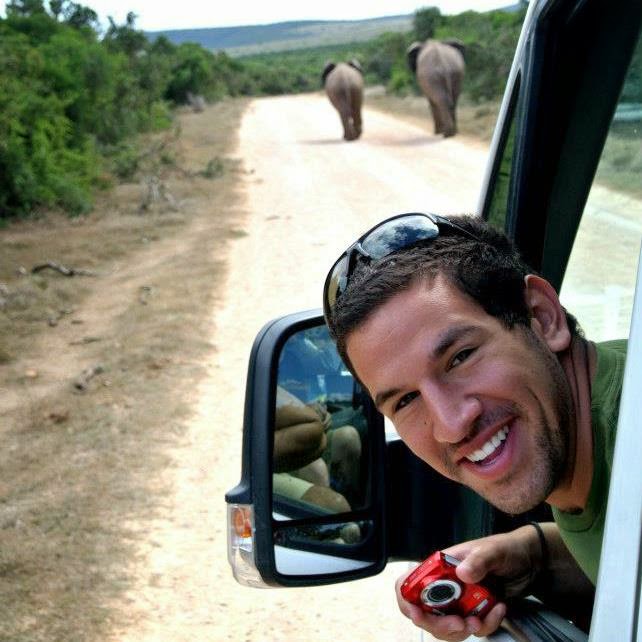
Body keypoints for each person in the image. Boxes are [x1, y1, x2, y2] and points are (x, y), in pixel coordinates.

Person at [322, 212, 626, 640]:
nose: (450, 425)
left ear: (542, 318)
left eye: (461, 358)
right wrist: (535, 555)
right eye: (406, 401)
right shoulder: (601, 432)